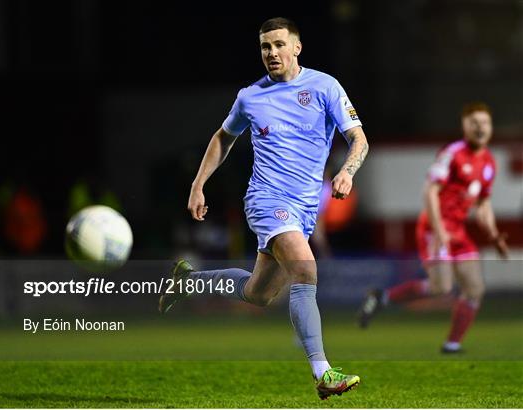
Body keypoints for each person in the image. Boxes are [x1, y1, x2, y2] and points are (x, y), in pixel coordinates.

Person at [159, 17, 369, 399]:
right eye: (264, 47)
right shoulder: (250, 97)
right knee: (306, 269)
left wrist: (347, 172)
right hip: (266, 200)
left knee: (259, 294)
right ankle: (323, 373)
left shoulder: (325, 87)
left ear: (296, 47)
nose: (271, 53)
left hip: (304, 210)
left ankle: (188, 281)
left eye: (277, 44)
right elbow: (224, 137)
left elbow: (358, 138)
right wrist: (198, 184)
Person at [358, 102, 509, 354]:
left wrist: (494, 235)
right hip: (433, 227)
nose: (480, 127)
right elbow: (430, 192)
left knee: (475, 289)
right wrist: (439, 233)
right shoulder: (453, 154)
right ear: (465, 126)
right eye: (474, 123)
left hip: (458, 231)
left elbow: (483, 204)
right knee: (441, 288)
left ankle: (452, 344)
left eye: (485, 122)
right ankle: (382, 297)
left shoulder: (489, 163)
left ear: (491, 127)